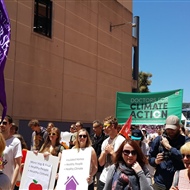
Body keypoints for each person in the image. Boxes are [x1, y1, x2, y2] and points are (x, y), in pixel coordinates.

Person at [149, 115, 190, 190]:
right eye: (168, 129)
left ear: (179, 127)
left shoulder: (186, 141)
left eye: (173, 129)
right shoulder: (159, 140)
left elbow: (185, 158)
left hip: (178, 184)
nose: (170, 131)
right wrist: (156, 161)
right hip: (160, 182)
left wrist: (169, 148)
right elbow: (150, 158)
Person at [97, 116, 125, 190]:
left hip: (116, 179)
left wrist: (112, 152)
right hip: (103, 179)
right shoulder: (105, 142)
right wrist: (104, 153)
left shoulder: (122, 141)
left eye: (105, 126)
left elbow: (123, 162)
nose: (103, 128)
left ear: (112, 126)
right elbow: (101, 163)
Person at [0, 115, 22, 190]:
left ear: (10, 125)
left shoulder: (15, 142)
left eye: (4, 123)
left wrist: (11, 186)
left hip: (7, 183)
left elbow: (17, 166)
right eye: (0, 122)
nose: (1, 125)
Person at [91, 120, 108, 185]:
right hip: (92, 164)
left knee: (99, 183)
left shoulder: (106, 138)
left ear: (100, 127)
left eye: (95, 127)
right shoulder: (91, 137)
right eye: (93, 127)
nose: (93, 129)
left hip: (100, 165)